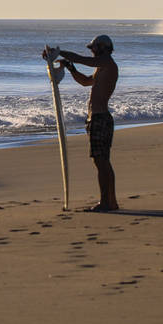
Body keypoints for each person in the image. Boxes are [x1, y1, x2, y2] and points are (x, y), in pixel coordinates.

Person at [59, 35, 119, 211]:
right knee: (103, 162)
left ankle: (105, 202)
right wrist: (71, 68)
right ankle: (111, 201)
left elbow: (82, 59)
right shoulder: (101, 68)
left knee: (101, 162)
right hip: (98, 118)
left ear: (102, 48)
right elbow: (86, 82)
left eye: (93, 48)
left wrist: (59, 52)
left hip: (101, 118)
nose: (91, 52)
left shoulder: (107, 63)